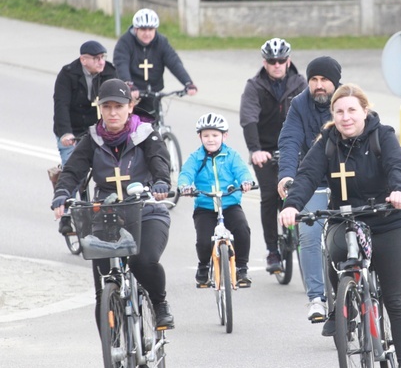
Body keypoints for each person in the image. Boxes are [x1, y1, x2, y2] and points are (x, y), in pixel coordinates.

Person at [278, 84, 401, 368]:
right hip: (347, 219)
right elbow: (306, 175)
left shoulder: (383, 136)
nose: (346, 117)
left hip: (388, 221)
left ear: (364, 111)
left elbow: (398, 166)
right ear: (333, 114)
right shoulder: (328, 143)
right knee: (334, 248)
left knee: (395, 299)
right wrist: (292, 205)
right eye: (339, 111)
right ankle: (344, 301)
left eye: (352, 110)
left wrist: (399, 190)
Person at [51, 78, 175, 330]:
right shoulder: (93, 139)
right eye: (106, 107)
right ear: (100, 109)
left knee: (143, 261)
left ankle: (160, 304)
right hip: (107, 215)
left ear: (130, 106)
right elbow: (73, 170)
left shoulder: (146, 135)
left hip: (146, 211)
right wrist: (62, 192)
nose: (112, 112)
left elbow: (159, 161)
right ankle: (113, 349)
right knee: (103, 285)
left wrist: (161, 183)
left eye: (118, 106)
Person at [277, 56, 341, 330]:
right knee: (309, 235)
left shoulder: (346, 102)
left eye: (324, 80)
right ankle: (317, 298)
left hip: (344, 180)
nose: (318, 85)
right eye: (314, 80)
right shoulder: (299, 105)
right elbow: (290, 140)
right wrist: (287, 175)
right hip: (311, 179)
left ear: (335, 82)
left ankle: (357, 288)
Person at [240, 37, 307, 273]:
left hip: (296, 148)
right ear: (264, 62)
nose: (276, 65)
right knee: (269, 196)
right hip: (265, 151)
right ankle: (272, 250)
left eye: (281, 60)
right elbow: (248, 118)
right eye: (272, 61)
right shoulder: (255, 85)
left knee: (301, 195)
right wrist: (255, 150)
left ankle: (306, 246)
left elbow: (310, 114)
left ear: (288, 61)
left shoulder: (300, 83)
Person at [177, 113, 255, 288]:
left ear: (224, 136)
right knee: (204, 241)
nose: (210, 139)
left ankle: (242, 268)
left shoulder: (232, 155)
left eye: (215, 135)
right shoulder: (195, 157)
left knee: (242, 229)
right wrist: (185, 186)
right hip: (205, 206)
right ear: (200, 137)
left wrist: (246, 181)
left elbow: (242, 170)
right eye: (206, 136)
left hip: (229, 203)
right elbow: (186, 173)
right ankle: (203, 266)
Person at [52, 40, 117, 234]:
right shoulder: (68, 74)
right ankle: (65, 214)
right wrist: (65, 133)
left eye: (103, 57)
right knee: (71, 167)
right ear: (83, 59)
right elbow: (61, 105)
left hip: (100, 129)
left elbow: (118, 101)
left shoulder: (109, 72)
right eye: (96, 58)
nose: (101, 62)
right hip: (73, 129)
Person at [113, 8, 198, 120]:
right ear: (136, 29)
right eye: (143, 29)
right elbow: (121, 64)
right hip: (132, 92)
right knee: (131, 127)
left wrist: (188, 82)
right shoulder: (125, 42)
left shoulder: (161, 42)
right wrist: (128, 84)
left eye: (151, 29)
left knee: (155, 125)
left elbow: (174, 62)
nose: (147, 33)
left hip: (153, 92)